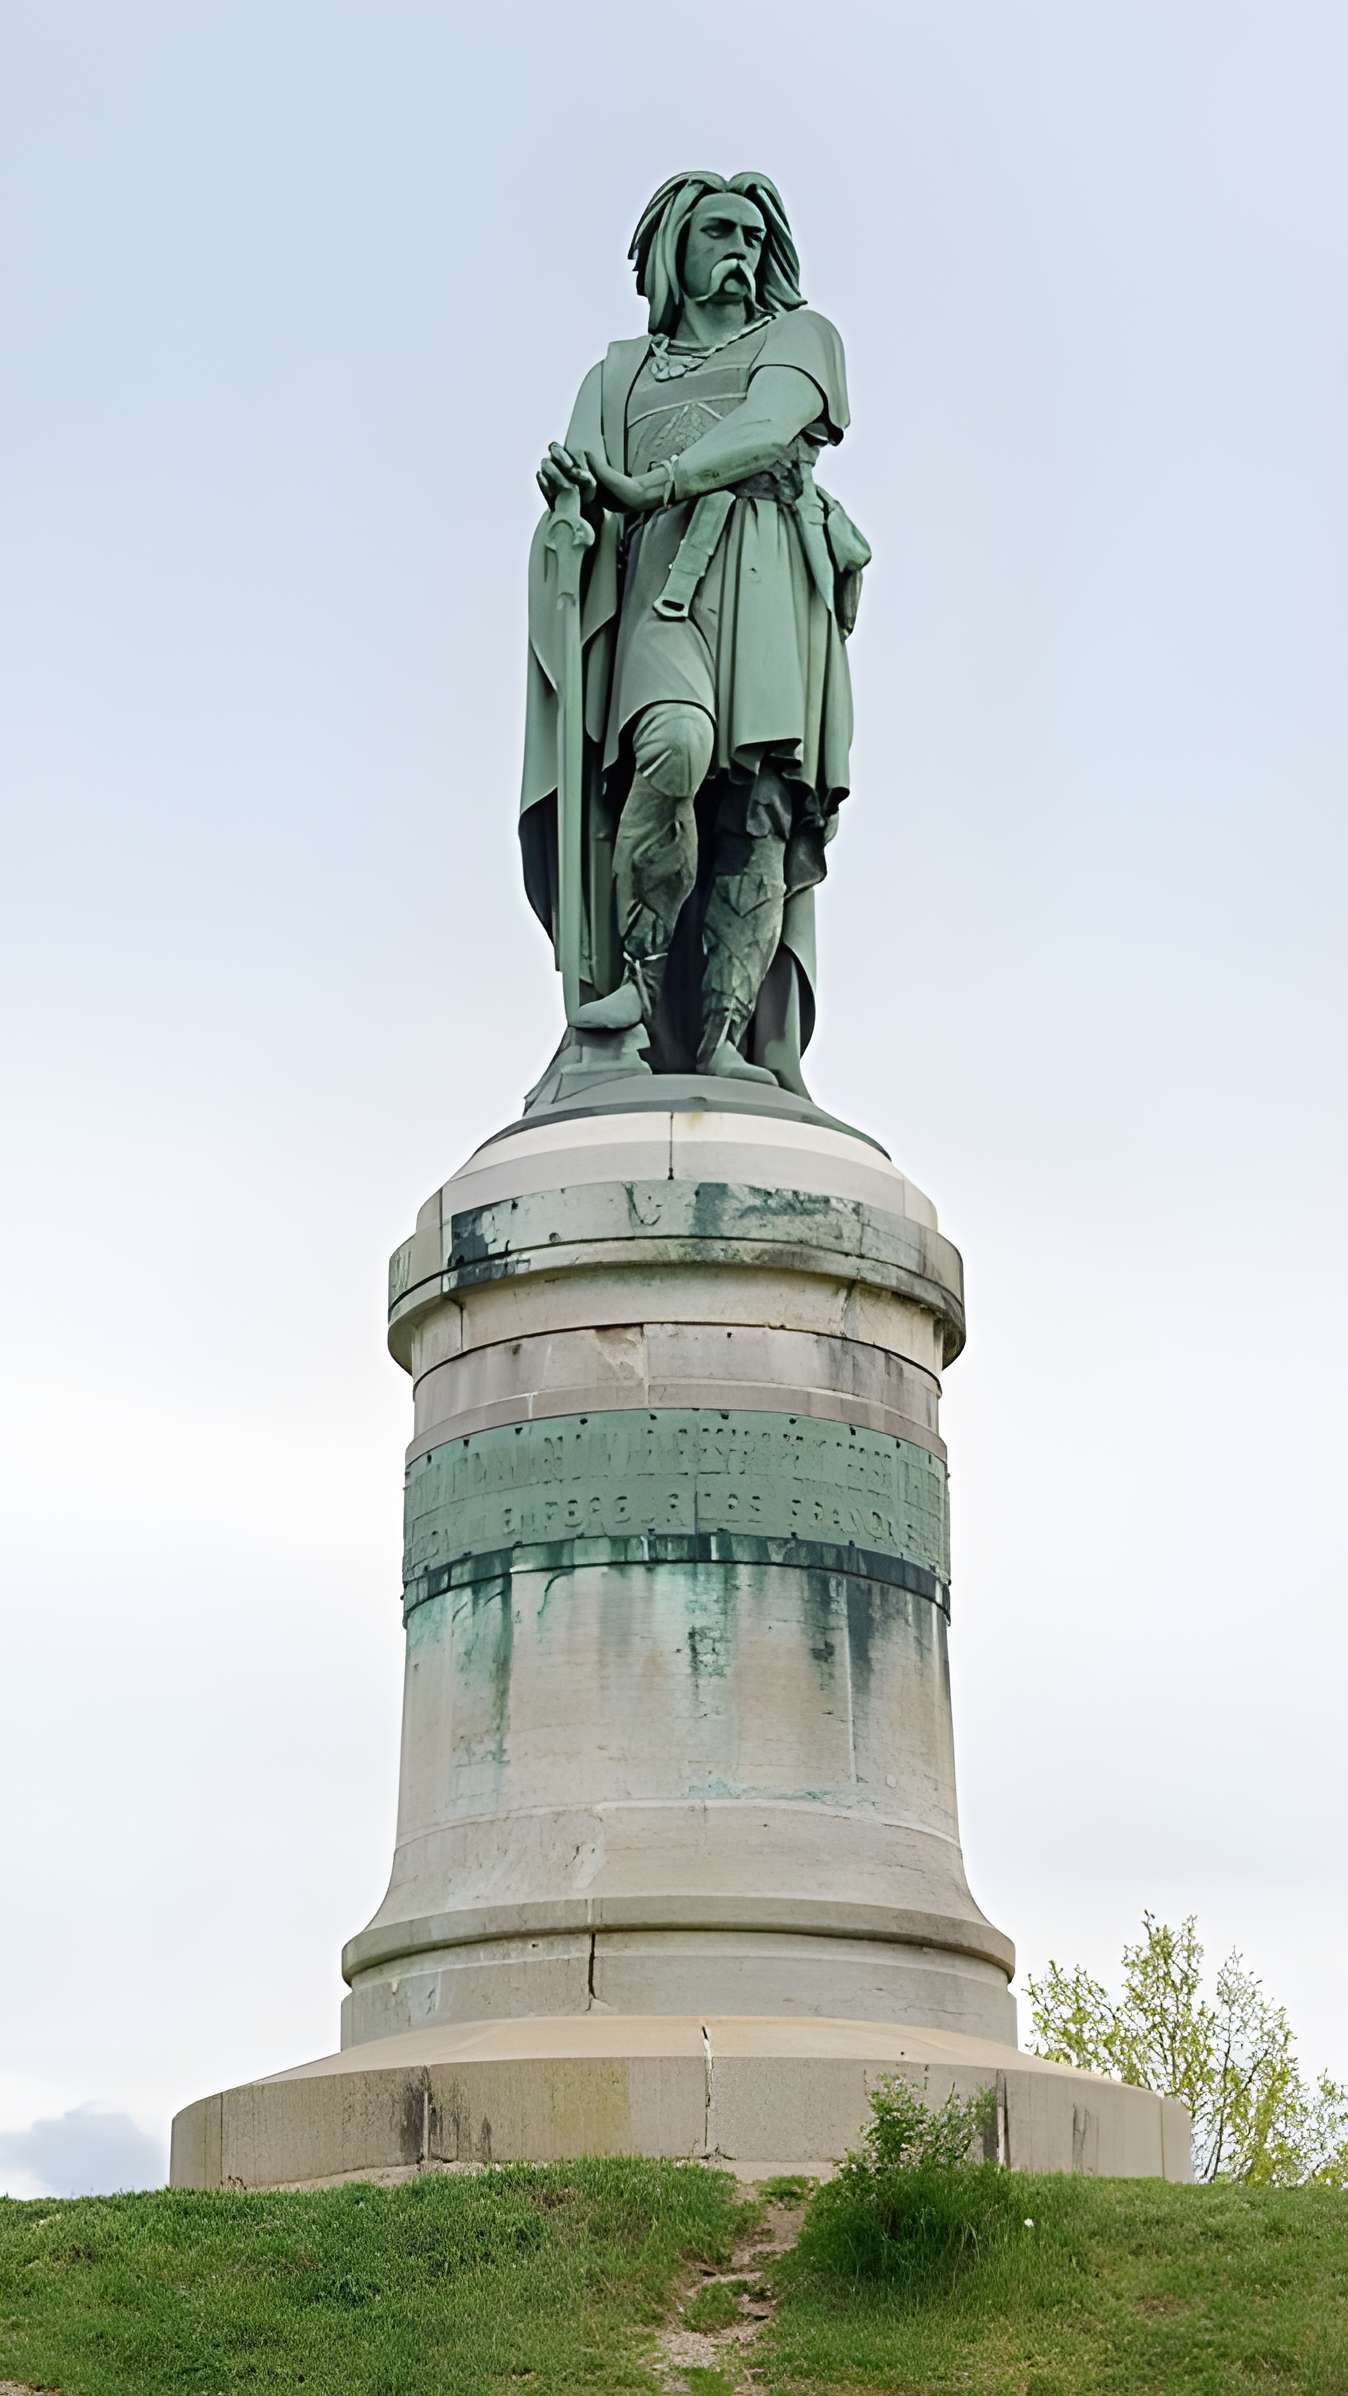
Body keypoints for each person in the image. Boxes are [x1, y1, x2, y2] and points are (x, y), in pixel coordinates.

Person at [520, 171, 868, 1093]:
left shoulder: (801, 338)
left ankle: (724, 1037)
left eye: (754, 240)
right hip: (657, 589)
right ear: (676, 249)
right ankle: (635, 983)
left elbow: (768, 423)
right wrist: (571, 500)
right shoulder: (617, 375)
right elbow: (587, 490)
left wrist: (658, 483)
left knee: (757, 810)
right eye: (720, 234)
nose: (740, 254)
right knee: (670, 749)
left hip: (766, 574)